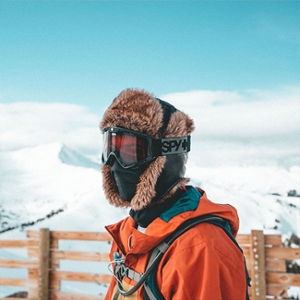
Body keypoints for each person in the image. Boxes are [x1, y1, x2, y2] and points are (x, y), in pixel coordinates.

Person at [100, 88, 249, 300]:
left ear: (165, 159)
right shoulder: (130, 232)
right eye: (110, 148)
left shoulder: (198, 248)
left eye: (130, 151)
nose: (114, 164)